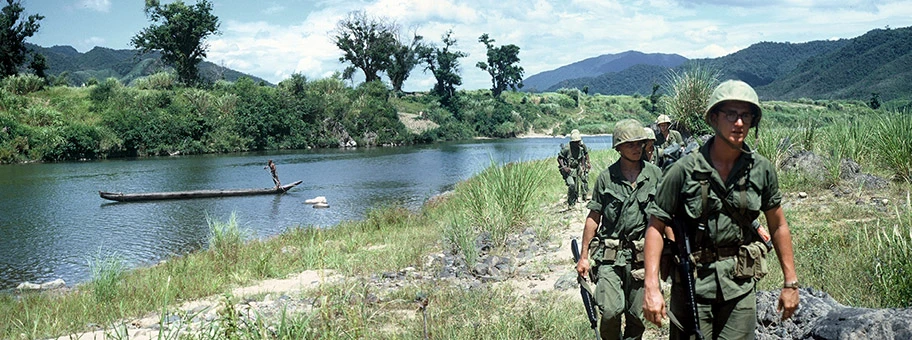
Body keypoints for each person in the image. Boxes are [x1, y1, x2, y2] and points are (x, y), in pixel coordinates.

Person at [642, 80, 799, 339]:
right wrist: (652, 286)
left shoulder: (761, 170)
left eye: (745, 116)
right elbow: (656, 227)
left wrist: (790, 282)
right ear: (714, 119)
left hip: (739, 286)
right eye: (731, 115)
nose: (739, 123)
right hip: (692, 285)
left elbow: (778, 224)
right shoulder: (682, 171)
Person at [576, 120, 662, 340]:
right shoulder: (606, 178)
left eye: (639, 143)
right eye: (630, 144)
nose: (636, 148)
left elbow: (665, 217)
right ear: (619, 147)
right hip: (610, 257)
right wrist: (584, 257)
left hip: (641, 257)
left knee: (636, 315)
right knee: (611, 310)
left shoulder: (654, 175)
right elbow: (594, 217)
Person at [558, 129, 591, 209]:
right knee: (572, 185)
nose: (578, 143)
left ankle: (581, 197)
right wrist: (564, 167)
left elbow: (583, 156)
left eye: (578, 141)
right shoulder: (566, 149)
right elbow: (559, 158)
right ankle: (570, 203)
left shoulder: (581, 147)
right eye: (576, 142)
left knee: (580, 183)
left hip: (576, 168)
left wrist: (585, 165)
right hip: (568, 169)